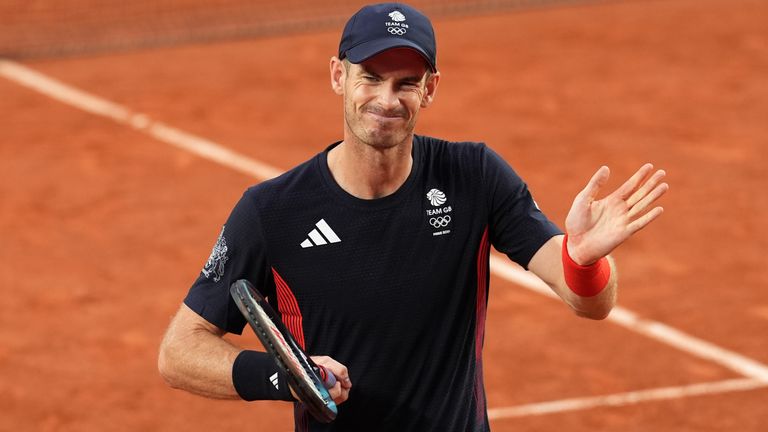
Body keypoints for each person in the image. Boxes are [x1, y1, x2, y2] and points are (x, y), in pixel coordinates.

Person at [158, 2, 669, 431]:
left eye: (407, 82)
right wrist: (283, 376)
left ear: (430, 88)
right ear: (338, 76)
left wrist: (581, 259)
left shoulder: (475, 175)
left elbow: (592, 305)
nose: (387, 98)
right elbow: (179, 351)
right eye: (370, 77)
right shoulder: (272, 211)